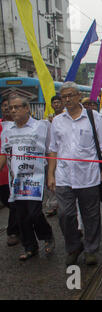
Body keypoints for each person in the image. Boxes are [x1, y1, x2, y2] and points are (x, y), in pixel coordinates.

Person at [48, 81, 102, 266]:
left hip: (88, 176)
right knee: (65, 215)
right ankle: (74, 246)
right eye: (64, 96)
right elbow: (53, 149)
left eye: (70, 95)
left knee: (90, 216)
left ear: (78, 96)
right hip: (64, 176)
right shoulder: (57, 121)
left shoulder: (93, 117)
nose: (67, 99)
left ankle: (91, 249)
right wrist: (51, 174)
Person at [0, 95, 54, 260]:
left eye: (17, 107)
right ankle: (30, 247)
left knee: (34, 214)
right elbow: (4, 153)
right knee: (21, 216)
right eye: (10, 108)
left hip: (35, 179)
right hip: (15, 181)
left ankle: (47, 235)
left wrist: (51, 174)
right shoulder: (7, 130)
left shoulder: (42, 126)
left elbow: (51, 151)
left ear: (27, 108)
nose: (13, 110)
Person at [0, 97, 20, 246]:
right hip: (4, 171)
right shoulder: (2, 126)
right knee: (9, 201)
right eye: (5, 106)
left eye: (11, 106)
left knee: (15, 202)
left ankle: (13, 231)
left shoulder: (23, 125)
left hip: (18, 174)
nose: (8, 109)